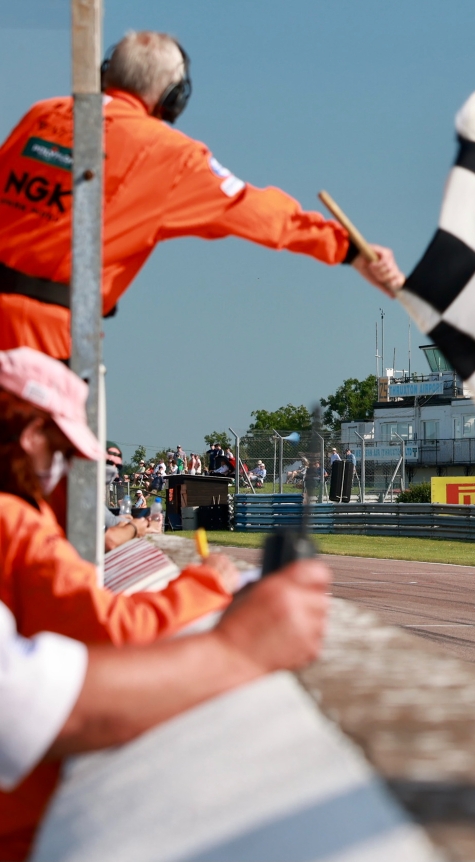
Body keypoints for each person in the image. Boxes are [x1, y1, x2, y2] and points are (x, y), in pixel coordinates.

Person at [0, 347, 302, 858]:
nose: (59, 470)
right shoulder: (14, 519)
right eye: (57, 451)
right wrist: (211, 594)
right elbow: (105, 629)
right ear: (30, 438)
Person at [0, 30, 404, 362]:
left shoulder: (42, 113)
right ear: (175, 96)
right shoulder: (171, 155)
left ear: (107, 73)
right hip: (42, 343)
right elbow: (261, 214)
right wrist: (348, 249)